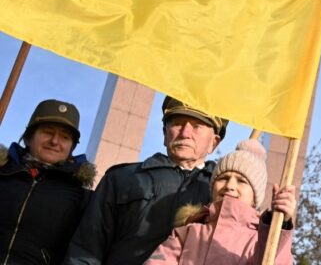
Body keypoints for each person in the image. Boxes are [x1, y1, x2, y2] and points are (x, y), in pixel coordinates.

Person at [64, 97, 227, 265]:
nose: (185, 133)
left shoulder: (225, 191)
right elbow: (86, 248)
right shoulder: (122, 178)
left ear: (214, 142)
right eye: (178, 124)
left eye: (197, 126)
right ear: (165, 134)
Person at [144, 139, 296, 265]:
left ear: (255, 197)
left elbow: (274, 260)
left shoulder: (261, 239)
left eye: (241, 181)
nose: (229, 186)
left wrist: (280, 224)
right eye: (223, 178)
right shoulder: (188, 232)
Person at [0, 99, 95, 265]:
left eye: (65, 137)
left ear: (71, 148)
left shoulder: (82, 198)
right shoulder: (3, 173)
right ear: (29, 138)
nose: (55, 141)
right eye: (47, 132)